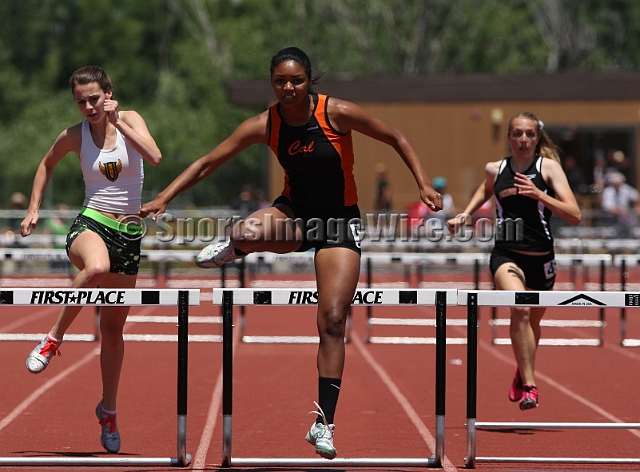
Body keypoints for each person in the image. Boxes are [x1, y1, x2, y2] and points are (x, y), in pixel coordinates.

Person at [139, 46, 442, 460]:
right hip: (295, 215)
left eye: (296, 80)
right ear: (272, 82)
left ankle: (324, 424)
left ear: (309, 79)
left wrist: (423, 184)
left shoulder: (336, 113)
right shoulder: (266, 123)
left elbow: (395, 137)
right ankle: (236, 247)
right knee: (246, 230)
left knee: (333, 319)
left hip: (339, 223)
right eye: (280, 81)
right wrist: (163, 197)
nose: (288, 88)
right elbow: (210, 163)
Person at [20, 65, 162, 453]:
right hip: (91, 221)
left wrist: (120, 122)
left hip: (129, 232)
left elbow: (155, 156)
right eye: (80, 101)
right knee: (95, 267)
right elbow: (46, 164)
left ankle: (108, 410)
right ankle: (53, 338)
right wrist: (33, 208)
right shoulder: (73, 136)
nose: (87, 106)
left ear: (109, 94)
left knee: (113, 332)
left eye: (94, 99)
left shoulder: (130, 119)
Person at [446, 111, 581, 411]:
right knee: (519, 309)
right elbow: (486, 187)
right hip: (506, 255)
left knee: (532, 323)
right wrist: (466, 214)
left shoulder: (549, 168)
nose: (523, 140)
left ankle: (523, 368)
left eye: (529, 134)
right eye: (517, 134)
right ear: (508, 137)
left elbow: (575, 215)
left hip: (542, 260)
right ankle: (531, 386)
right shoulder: (496, 169)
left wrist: (538, 194)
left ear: (537, 138)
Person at [600, 171, 640, 238]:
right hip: (611, 218)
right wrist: (622, 212)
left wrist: (637, 206)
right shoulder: (608, 191)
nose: (617, 186)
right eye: (615, 184)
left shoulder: (626, 188)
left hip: (626, 218)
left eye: (619, 184)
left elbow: (636, 196)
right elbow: (609, 207)